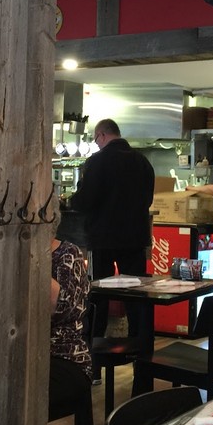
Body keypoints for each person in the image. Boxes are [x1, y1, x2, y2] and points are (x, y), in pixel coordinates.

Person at [70, 118, 155, 339]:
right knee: (136, 294)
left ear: (102, 135)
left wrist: (71, 200)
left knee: (100, 294)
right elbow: (148, 200)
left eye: (96, 139)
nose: (96, 144)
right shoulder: (142, 161)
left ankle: (95, 345)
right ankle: (140, 347)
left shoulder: (97, 162)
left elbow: (85, 200)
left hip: (103, 238)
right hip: (135, 238)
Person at [49, 233, 91, 412]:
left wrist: (33, 253)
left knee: (12, 392)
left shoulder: (68, 253)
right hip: (15, 355)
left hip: (62, 356)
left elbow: (59, 308)